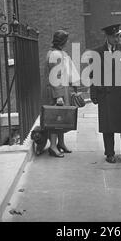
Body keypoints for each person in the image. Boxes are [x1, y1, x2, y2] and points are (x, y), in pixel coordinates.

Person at [90, 24, 121, 164]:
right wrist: (94, 93)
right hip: (106, 95)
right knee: (108, 126)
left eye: (119, 36)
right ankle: (109, 153)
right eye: (115, 36)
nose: (118, 39)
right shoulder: (97, 52)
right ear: (108, 37)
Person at [45, 29, 79, 158]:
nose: (67, 42)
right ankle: (53, 146)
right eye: (66, 40)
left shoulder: (59, 53)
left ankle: (61, 143)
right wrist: (59, 95)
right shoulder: (55, 55)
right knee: (55, 118)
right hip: (56, 91)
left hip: (61, 89)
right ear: (62, 41)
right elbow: (55, 75)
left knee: (61, 118)